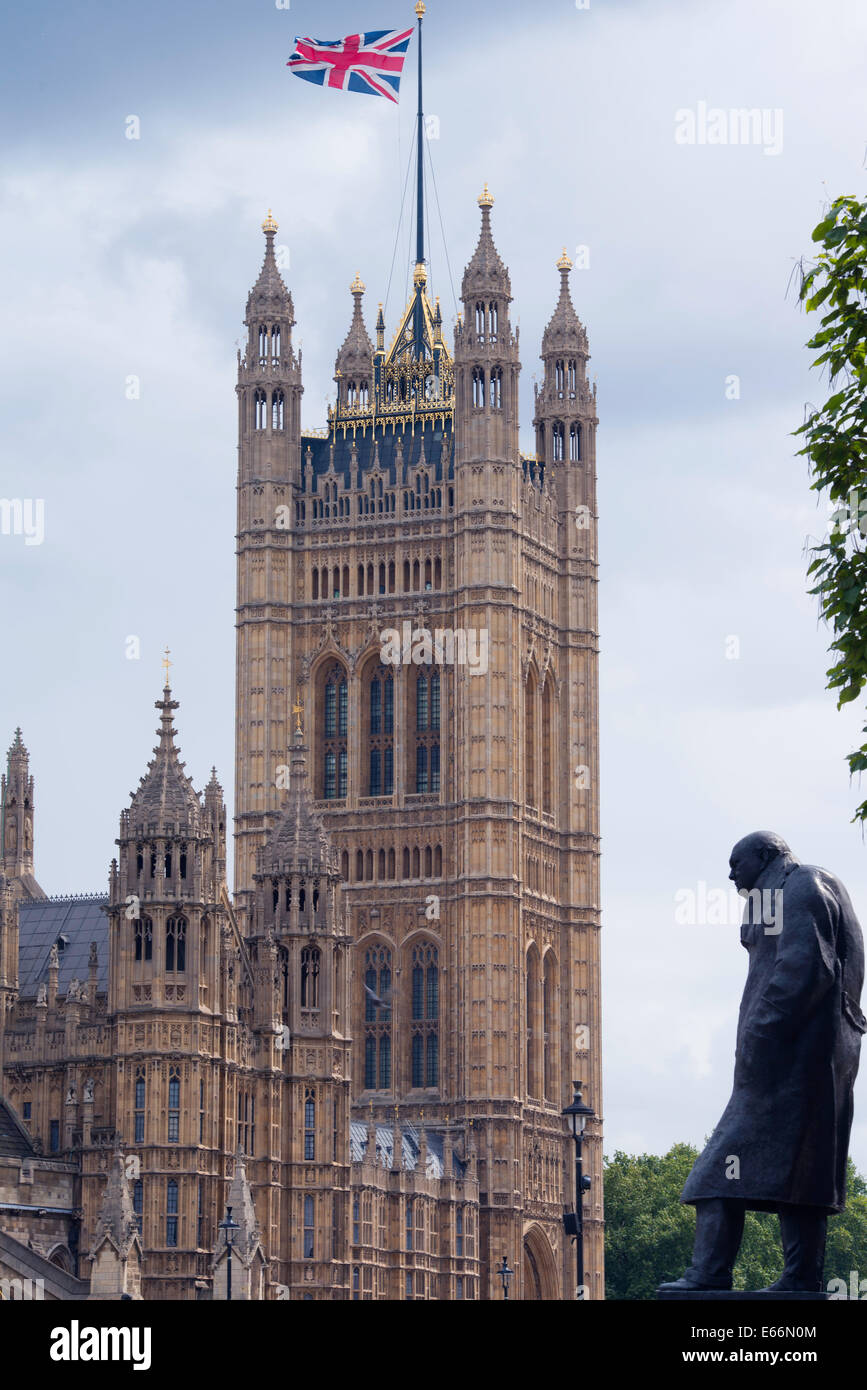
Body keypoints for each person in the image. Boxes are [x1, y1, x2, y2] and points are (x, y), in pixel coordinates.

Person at [660, 832, 866, 1293]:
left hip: (790, 1060)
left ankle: (709, 1273)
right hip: (810, 1061)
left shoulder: (801, 887)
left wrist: (760, 1034)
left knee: (715, 1172)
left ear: (766, 856)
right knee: (804, 1172)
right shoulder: (791, 889)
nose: (731, 874)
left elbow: (806, 968)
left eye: (738, 863)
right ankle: (801, 1278)